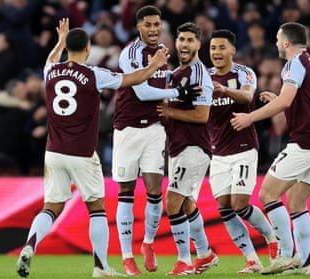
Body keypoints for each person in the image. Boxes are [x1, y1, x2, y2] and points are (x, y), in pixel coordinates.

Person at [15, 18, 172, 278]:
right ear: (88, 49)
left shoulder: (51, 70)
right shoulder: (94, 74)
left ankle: (30, 245)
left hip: (53, 152)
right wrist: (154, 65)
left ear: (67, 48)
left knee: (51, 206)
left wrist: (59, 42)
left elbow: (51, 59)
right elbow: (131, 79)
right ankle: (100, 267)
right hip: (82, 153)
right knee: (97, 208)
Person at [231, 22, 310, 275]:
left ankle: (286, 256)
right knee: (297, 203)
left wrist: (250, 117)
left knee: (268, 194)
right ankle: (305, 264)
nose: (277, 43)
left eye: (278, 39)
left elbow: (287, 101)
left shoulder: (294, 63)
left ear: (287, 42)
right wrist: (277, 98)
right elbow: (303, 101)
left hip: (306, 142)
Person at [111, 5, 200, 275]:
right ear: (139, 27)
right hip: (127, 129)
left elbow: (162, 88)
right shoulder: (130, 53)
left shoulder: (162, 51)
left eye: (156, 24)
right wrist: (178, 91)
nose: (153, 29)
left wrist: (175, 90)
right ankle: (127, 257)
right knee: (126, 192)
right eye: (148, 24)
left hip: (153, 129)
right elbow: (141, 92)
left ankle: (148, 243)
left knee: (154, 190)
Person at [207, 29, 277, 274]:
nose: (216, 52)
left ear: (233, 50)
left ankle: (272, 238)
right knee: (225, 208)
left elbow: (248, 97)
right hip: (217, 152)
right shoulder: (204, 76)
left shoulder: (244, 73)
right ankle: (251, 259)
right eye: (213, 48)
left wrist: (224, 91)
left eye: (221, 47)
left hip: (243, 147)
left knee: (239, 204)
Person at [156, 22, 218, 275]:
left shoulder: (199, 73)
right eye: (181, 39)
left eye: (190, 40)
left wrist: (169, 111)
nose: (184, 44)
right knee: (186, 203)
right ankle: (204, 254)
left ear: (198, 45)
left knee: (172, 203)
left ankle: (184, 260)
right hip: (179, 147)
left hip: (195, 147)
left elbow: (202, 115)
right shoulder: (177, 74)